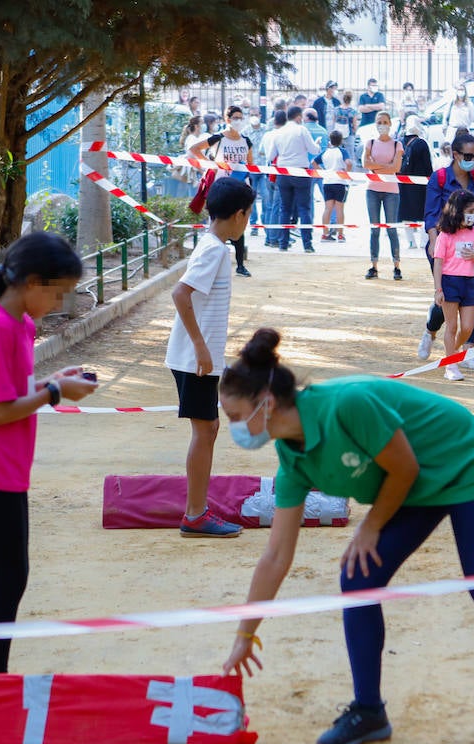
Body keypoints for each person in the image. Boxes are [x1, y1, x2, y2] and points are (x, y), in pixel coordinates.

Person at [219, 329, 474, 744]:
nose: (234, 429)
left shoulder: (345, 404)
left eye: (235, 417)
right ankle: (368, 712)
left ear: (265, 403)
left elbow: (404, 466)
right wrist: (245, 634)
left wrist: (370, 526)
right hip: (414, 487)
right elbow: (275, 556)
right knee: (358, 583)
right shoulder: (292, 456)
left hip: (463, 462)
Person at [0, 232, 98, 673]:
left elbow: (7, 390)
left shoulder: (19, 324)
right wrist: (55, 391)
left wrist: (53, 381)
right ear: (31, 282)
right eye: (58, 292)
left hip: (2, 468)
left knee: (11, 580)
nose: (60, 303)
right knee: (8, 583)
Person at [166, 178, 257, 539]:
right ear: (238, 215)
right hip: (195, 359)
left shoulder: (215, 246)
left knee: (209, 429)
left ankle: (197, 509)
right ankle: (195, 514)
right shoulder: (216, 250)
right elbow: (180, 294)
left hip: (198, 357)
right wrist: (202, 347)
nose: (247, 222)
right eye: (248, 216)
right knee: (205, 431)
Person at [420, 131, 474, 367]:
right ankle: (431, 331)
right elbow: (431, 214)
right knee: (446, 300)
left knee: (473, 297)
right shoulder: (439, 177)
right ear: (455, 154)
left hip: (473, 247)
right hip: (445, 246)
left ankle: (467, 351)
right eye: (469, 155)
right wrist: (433, 241)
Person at [188, 105, 256, 277]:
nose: (238, 121)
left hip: (241, 188)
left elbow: (250, 164)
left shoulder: (246, 141)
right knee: (217, 224)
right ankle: (214, 264)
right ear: (227, 119)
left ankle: (240, 265)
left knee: (239, 225)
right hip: (220, 187)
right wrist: (210, 164)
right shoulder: (217, 138)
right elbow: (194, 149)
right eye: (236, 117)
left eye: (241, 117)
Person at [431, 190, 474, 381]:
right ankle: (451, 366)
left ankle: (453, 352)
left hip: (469, 281)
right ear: (457, 210)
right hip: (449, 281)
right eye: (469, 210)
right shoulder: (444, 235)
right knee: (451, 326)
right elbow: (438, 261)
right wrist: (438, 289)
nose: (473, 215)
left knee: (468, 328)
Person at [273, 106, 321, 253]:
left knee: (285, 209)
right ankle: (307, 244)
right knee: (304, 208)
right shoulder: (302, 130)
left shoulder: (278, 132)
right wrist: (317, 144)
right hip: (301, 172)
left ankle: (283, 243)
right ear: (299, 117)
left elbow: (270, 155)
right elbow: (313, 150)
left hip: (283, 172)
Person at [363, 111, 404, 280]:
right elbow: (365, 163)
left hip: (391, 191)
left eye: (385, 121)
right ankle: (373, 266)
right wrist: (385, 165)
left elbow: (396, 168)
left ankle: (397, 266)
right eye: (379, 122)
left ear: (390, 124)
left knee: (392, 229)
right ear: (375, 123)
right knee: (375, 229)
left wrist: (376, 166)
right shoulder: (370, 142)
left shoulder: (397, 144)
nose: (382, 125)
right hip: (372, 189)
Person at [397, 115, 433, 252]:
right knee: (422, 213)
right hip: (420, 185)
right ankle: (424, 242)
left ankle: (411, 241)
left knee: (406, 213)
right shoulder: (422, 143)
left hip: (403, 182)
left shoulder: (400, 141)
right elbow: (427, 165)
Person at [258, 110, 290, 249]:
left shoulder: (267, 135)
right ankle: (273, 238)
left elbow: (261, 152)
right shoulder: (284, 135)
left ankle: (269, 236)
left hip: (268, 172)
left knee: (271, 206)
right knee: (278, 206)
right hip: (278, 173)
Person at [319, 130, 351, 243]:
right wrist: (347, 173)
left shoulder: (325, 152)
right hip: (340, 182)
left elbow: (314, 162)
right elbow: (348, 163)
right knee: (339, 209)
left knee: (327, 208)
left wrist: (323, 171)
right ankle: (340, 235)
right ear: (341, 140)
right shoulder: (342, 151)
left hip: (327, 181)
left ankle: (325, 234)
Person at [334, 90, 359, 162]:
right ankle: (350, 172)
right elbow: (355, 125)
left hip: (337, 135)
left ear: (343, 98)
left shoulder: (336, 110)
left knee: (337, 153)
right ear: (351, 99)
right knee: (350, 155)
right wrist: (354, 132)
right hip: (349, 134)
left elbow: (334, 122)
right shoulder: (353, 111)